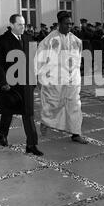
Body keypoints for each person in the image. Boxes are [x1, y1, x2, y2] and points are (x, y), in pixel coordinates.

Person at [0, 14, 43, 156]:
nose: (23, 27)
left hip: (26, 83)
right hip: (10, 83)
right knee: (8, 112)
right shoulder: (2, 41)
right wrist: (3, 83)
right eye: (20, 24)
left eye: (24, 24)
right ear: (12, 25)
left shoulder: (29, 39)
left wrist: (34, 81)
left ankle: (31, 144)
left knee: (29, 114)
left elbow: (33, 62)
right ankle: (3, 134)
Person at [35, 11, 87, 144]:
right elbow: (39, 59)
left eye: (71, 24)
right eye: (66, 24)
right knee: (52, 104)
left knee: (75, 105)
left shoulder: (76, 40)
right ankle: (46, 122)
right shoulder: (50, 40)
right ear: (59, 24)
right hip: (55, 80)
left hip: (72, 81)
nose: (69, 26)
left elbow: (78, 61)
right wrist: (38, 76)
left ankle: (76, 133)